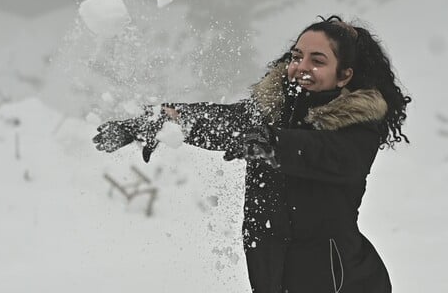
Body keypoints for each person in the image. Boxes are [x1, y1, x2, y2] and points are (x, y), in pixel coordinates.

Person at [92, 15, 411, 293]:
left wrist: (272, 143)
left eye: (318, 60)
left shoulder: (357, 128)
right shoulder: (271, 112)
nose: (301, 67)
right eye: (297, 56)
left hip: (338, 280)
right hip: (271, 272)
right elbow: (226, 121)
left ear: (345, 75)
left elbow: (329, 154)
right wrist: (164, 119)